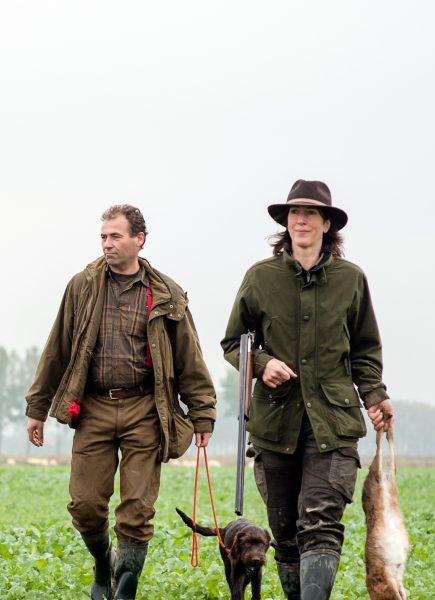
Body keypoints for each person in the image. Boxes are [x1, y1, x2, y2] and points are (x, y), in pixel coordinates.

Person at [25, 205, 217, 600]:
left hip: (145, 410)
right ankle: (102, 564)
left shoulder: (166, 293)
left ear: (139, 239)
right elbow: (57, 348)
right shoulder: (83, 285)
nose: (107, 244)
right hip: (92, 407)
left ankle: (125, 588)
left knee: (137, 510)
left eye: (115, 236)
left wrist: (203, 415)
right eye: (103, 237)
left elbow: (189, 358)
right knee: (85, 505)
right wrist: (37, 408)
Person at [221, 180, 395, 600]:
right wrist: (262, 365)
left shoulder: (351, 280)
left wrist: (375, 395)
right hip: (274, 425)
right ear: (286, 223)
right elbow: (233, 345)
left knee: (320, 522)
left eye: (311, 214)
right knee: (284, 532)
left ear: (326, 224)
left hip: (332, 425)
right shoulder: (259, 278)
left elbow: (365, 351)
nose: (301, 220)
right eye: (294, 213)